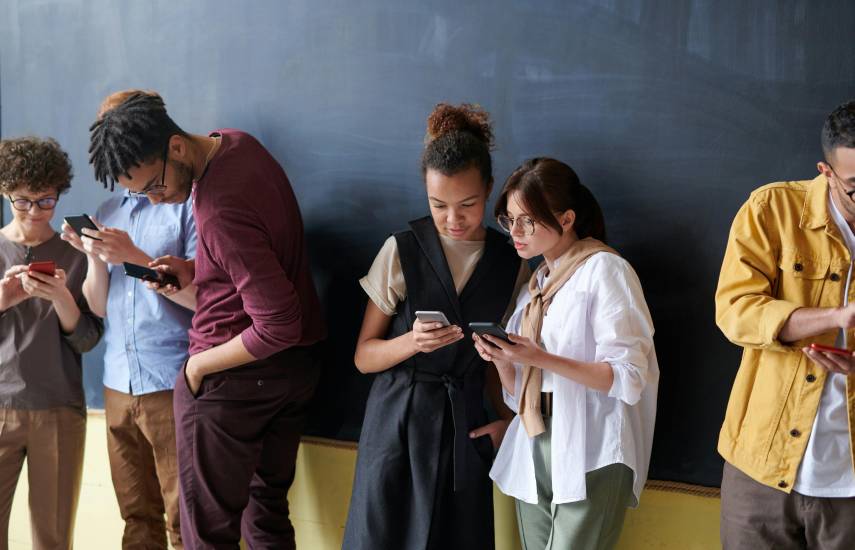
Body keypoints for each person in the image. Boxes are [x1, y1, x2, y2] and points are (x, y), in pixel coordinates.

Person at [88, 91, 326, 549]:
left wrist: (198, 367)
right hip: (293, 372)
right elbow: (257, 261)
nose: (155, 201)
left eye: (154, 186)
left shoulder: (218, 207)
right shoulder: (238, 144)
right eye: (140, 194)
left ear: (176, 147)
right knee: (267, 516)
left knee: (206, 536)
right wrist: (197, 270)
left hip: (232, 378)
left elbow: (279, 322)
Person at [342, 103, 529, 550]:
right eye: (438, 204)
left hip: (463, 422)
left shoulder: (512, 263)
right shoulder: (402, 250)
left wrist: (509, 425)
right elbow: (364, 356)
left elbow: (496, 361)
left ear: (488, 190)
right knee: (384, 535)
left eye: (467, 204)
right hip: (397, 420)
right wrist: (410, 341)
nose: (453, 219)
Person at [480, 157, 658, 550]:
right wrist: (502, 359)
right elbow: (517, 393)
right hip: (534, 435)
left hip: (591, 441)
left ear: (566, 218)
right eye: (510, 220)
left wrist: (539, 357)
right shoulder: (535, 287)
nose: (516, 232)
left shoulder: (606, 271)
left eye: (528, 220)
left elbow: (628, 375)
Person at [715, 100, 855, 549]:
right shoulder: (771, 208)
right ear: (826, 172)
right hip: (761, 462)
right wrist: (834, 318)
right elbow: (735, 310)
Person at [60, 90, 196, 549]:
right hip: (118, 383)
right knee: (136, 519)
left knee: (187, 518)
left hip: (171, 380)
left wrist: (135, 257)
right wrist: (94, 256)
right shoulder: (108, 212)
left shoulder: (185, 205)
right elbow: (97, 308)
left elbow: (206, 301)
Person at [0, 137, 103, 549]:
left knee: (53, 540)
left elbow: (89, 339)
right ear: (5, 192)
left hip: (58, 409)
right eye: (22, 201)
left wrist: (62, 299)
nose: (35, 213)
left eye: (46, 201)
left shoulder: (77, 251)